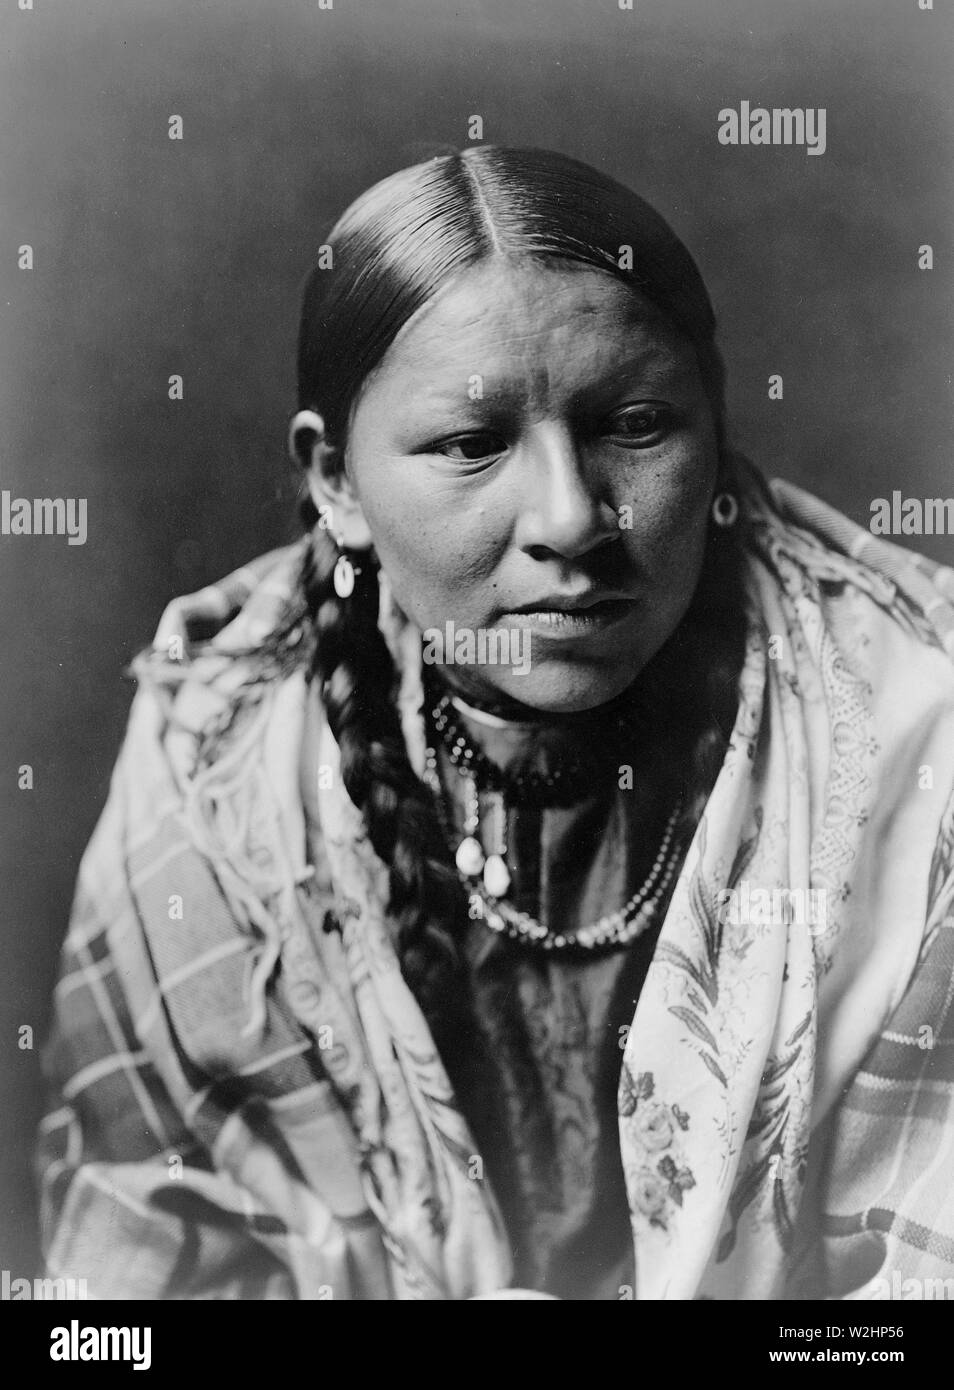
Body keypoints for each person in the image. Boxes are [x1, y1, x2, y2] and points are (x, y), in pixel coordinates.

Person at [35, 146, 954, 1300]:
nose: (570, 517)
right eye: (471, 445)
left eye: (633, 424)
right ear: (336, 485)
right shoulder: (220, 763)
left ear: (714, 425)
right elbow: (130, 1275)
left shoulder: (917, 734)